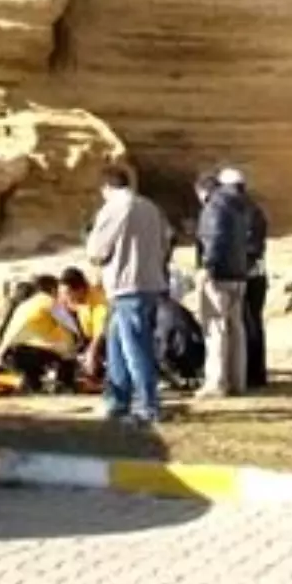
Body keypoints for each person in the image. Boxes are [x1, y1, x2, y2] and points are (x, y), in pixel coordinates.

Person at [85, 166, 171, 425]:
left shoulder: (114, 207)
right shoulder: (150, 207)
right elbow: (166, 244)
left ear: (106, 188)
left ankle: (148, 406)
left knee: (135, 347)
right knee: (117, 348)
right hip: (149, 284)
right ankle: (117, 400)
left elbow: (96, 250)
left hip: (125, 285)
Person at [195, 168, 250, 397]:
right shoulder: (241, 206)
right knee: (236, 328)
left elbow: (214, 237)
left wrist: (207, 266)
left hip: (219, 275)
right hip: (238, 274)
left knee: (216, 328)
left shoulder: (215, 205)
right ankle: (237, 380)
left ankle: (216, 382)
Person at [219, 168, 269, 389]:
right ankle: (256, 372)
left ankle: (249, 373)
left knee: (244, 323)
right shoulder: (254, 209)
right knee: (254, 322)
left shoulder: (236, 210)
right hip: (258, 272)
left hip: (244, 272)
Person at [0, 274, 79, 392]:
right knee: (66, 355)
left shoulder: (25, 304)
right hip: (26, 353)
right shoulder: (49, 302)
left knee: (47, 350)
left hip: (6, 354)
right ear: (53, 289)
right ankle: (64, 385)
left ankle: (31, 384)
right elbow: (72, 328)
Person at [58, 267, 108, 383]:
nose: (66, 297)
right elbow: (58, 308)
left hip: (104, 337)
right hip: (84, 333)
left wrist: (92, 353)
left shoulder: (99, 300)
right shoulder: (70, 299)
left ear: (80, 289)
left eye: (68, 294)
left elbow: (100, 333)